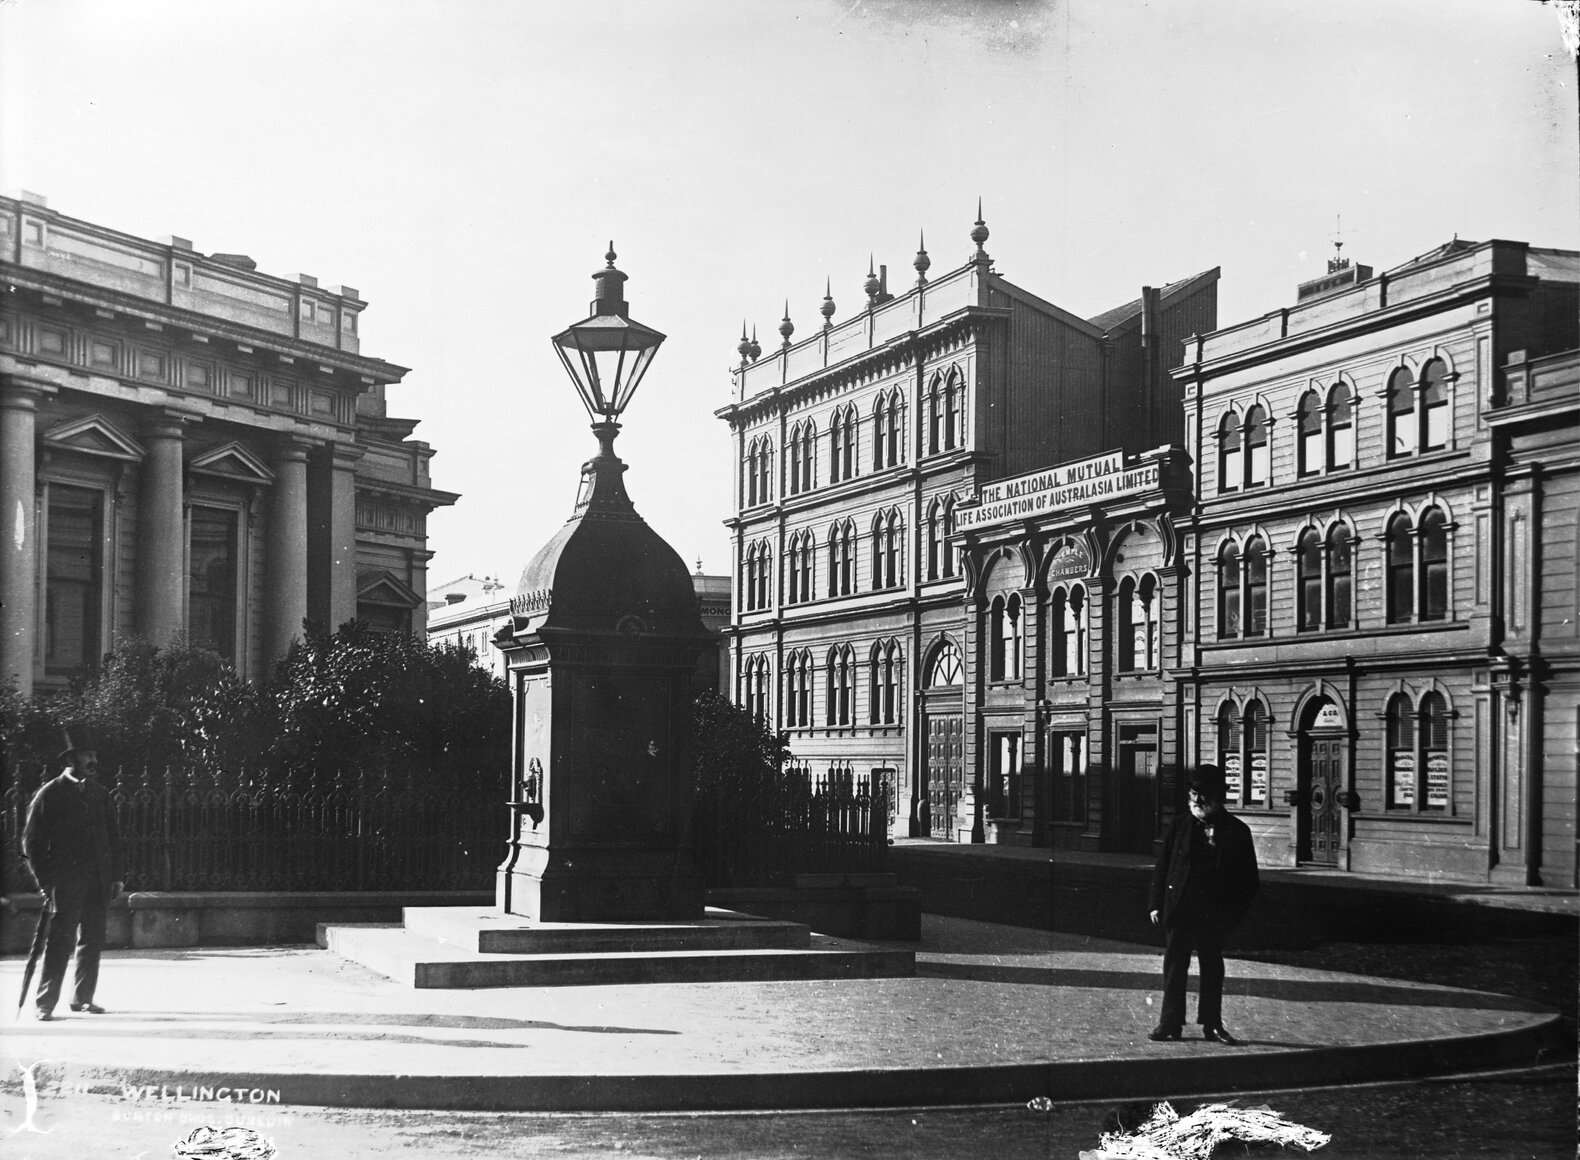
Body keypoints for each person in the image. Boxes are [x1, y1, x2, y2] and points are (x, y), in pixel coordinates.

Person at [1146, 763, 1259, 1045]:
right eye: (1193, 794)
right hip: (1180, 909)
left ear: (1219, 796)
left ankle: (1213, 1025)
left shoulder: (1237, 831)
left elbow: (1248, 881)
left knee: (1212, 967)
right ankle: (1170, 1023)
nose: (1197, 800)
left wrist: (1232, 916)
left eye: (1204, 795)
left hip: (1213, 913)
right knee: (1175, 966)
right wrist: (1156, 904)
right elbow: (1162, 867)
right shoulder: (1179, 825)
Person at [21, 730, 123, 1021]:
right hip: (65, 884)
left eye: (94, 755)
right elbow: (32, 843)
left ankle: (83, 998)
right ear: (70, 760)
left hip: (98, 881)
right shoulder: (50, 793)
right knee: (60, 942)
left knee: (92, 940)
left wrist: (117, 876)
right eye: (86, 756)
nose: (93, 761)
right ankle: (45, 1003)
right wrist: (46, 882)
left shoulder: (100, 793)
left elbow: (114, 838)